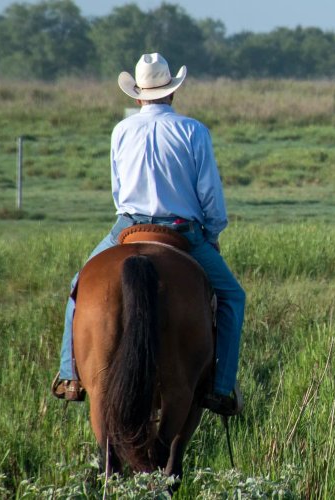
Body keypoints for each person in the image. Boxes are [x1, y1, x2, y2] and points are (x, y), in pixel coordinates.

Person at [51, 53, 244, 416]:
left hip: (129, 224)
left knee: (78, 287)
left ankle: (70, 375)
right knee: (233, 297)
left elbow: (117, 189)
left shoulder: (121, 131)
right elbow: (210, 195)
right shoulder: (193, 130)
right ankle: (221, 387)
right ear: (172, 93)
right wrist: (213, 233)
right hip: (181, 229)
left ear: (137, 96)